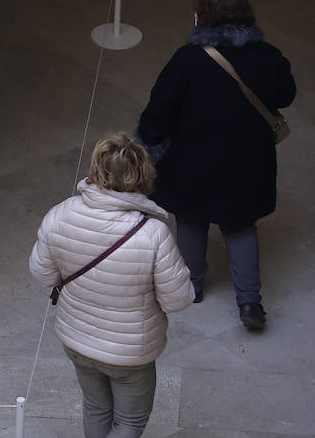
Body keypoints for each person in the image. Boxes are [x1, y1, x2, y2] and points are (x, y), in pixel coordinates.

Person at [135, 0, 296, 330]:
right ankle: (250, 302)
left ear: (201, 18)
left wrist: (148, 145)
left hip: (192, 165)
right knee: (240, 227)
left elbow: (160, 111)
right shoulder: (267, 57)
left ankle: (191, 286)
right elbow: (286, 94)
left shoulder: (187, 61)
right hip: (246, 165)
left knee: (191, 221)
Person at [29, 134, 193, 438]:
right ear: (143, 175)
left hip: (76, 339)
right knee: (129, 422)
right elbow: (177, 300)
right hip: (130, 352)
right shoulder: (153, 233)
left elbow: (42, 273)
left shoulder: (59, 214)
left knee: (95, 408)